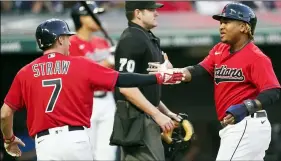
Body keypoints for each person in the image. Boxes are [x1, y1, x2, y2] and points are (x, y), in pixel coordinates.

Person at [0, 18, 184, 160]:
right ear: (60, 39)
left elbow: (5, 113)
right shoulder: (80, 64)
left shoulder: (25, 72)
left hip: (45, 143)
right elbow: (123, 79)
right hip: (76, 139)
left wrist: (9, 140)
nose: (70, 42)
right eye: (67, 38)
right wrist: (158, 77)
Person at [148, 2, 281, 161]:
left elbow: (273, 90)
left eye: (227, 22)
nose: (221, 26)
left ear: (243, 27)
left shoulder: (256, 57)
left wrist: (246, 107)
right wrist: (171, 74)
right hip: (235, 127)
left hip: (247, 124)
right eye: (221, 22)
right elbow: (198, 70)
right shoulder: (220, 49)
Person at [110, 1, 183, 161]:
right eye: (151, 10)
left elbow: (146, 90)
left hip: (145, 115)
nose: (156, 13)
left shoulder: (146, 37)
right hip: (135, 119)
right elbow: (126, 87)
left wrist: (166, 112)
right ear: (138, 13)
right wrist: (157, 114)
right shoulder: (132, 38)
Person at [69, 2, 118, 160]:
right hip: (84, 102)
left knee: (107, 153)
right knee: (84, 153)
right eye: (93, 15)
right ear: (82, 19)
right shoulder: (71, 44)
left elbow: (112, 74)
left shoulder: (102, 42)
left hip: (107, 99)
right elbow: (82, 75)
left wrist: (118, 58)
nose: (98, 18)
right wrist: (108, 61)